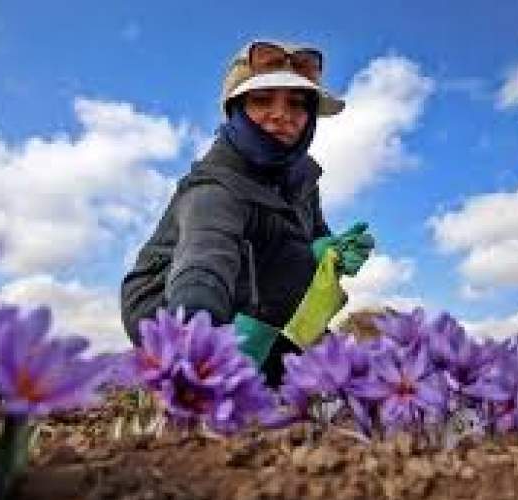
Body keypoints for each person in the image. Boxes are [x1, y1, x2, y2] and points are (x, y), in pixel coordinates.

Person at [121, 40, 374, 385]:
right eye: (262, 99)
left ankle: (254, 365)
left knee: (329, 371)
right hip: (168, 309)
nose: (281, 114)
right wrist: (197, 341)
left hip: (252, 296)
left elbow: (312, 237)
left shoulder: (301, 180)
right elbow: (204, 260)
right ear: (235, 109)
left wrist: (333, 249)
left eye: (297, 104)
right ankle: (211, 370)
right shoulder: (214, 188)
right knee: (292, 262)